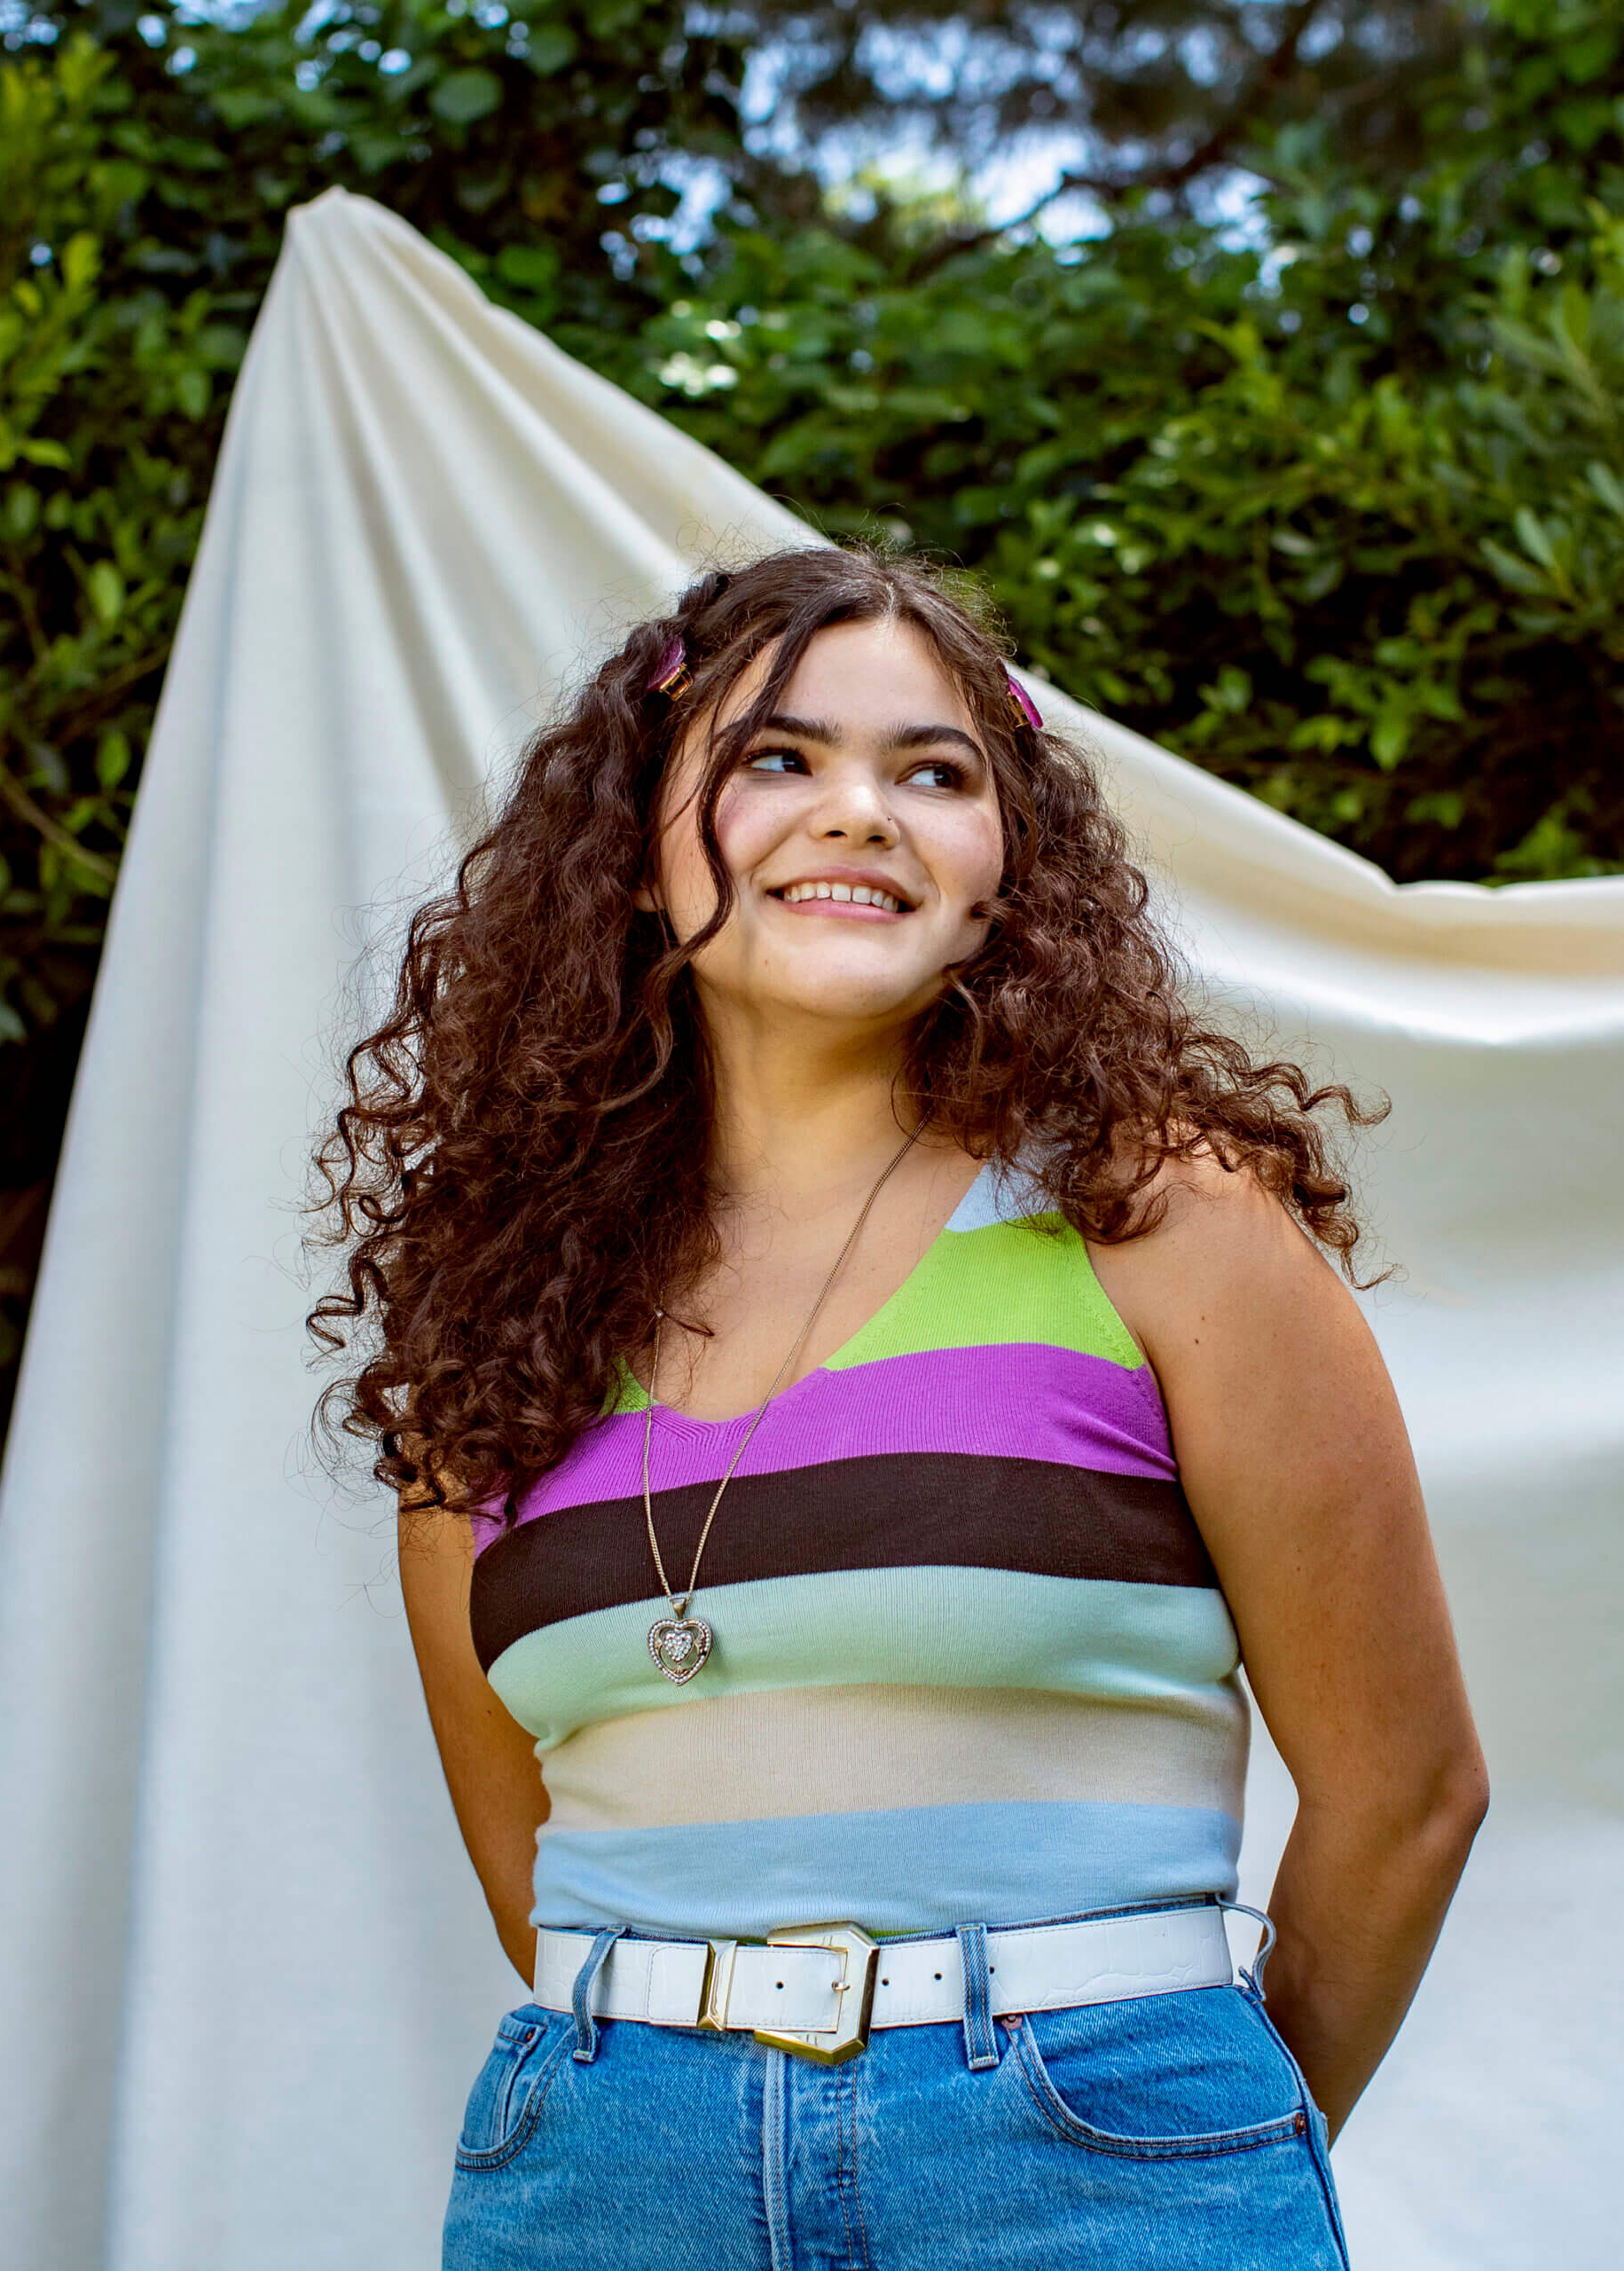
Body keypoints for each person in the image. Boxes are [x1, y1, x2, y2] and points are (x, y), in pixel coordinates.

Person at [310, 545, 1488, 2269]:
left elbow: (1406, 1792)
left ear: (1005, 872)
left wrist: (1175, 2140)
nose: (858, 810)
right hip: (603, 2172)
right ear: (637, 851)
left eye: (933, 771)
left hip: (1096, 2155)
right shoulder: (489, 1333)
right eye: (778, 756)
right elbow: (530, 1864)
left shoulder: (1170, 1228)